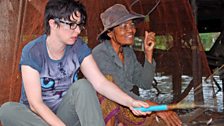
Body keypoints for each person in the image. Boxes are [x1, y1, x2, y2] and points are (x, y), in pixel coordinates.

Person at [0, 1, 151, 126]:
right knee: (7, 110)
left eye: (79, 25)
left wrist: (130, 102)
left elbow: (101, 83)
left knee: (83, 86)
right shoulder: (33, 52)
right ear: (53, 24)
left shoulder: (78, 48)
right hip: (36, 119)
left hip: (65, 115)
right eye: (72, 25)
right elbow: (35, 104)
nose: (78, 30)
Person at [92, 4, 182, 126]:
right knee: (109, 88)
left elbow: (145, 83)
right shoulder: (99, 53)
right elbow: (117, 91)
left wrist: (148, 53)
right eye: (123, 26)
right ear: (110, 33)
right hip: (105, 107)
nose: (131, 30)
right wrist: (156, 107)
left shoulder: (128, 52)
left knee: (162, 121)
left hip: (127, 104)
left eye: (131, 25)